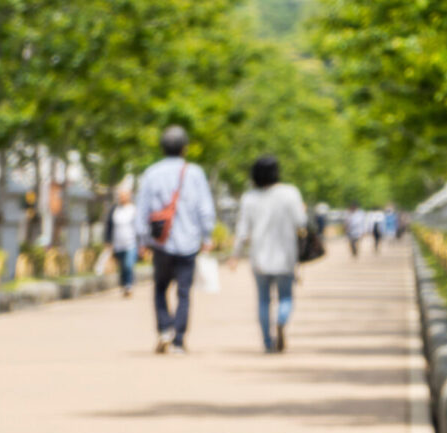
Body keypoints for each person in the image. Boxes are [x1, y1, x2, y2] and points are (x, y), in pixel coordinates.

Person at [135, 126, 216, 355]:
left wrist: (142, 239)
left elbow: (142, 209)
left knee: (160, 288)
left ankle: (164, 328)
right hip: (188, 242)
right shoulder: (195, 173)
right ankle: (179, 340)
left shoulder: (151, 173)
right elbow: (205, 208)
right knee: (183, 291)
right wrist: (207, 235)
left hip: (161, 242)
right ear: (185, 149)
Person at [229, 155, 308, 353]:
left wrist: (235, 255)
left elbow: (242, 230)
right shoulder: (290, 193)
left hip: (260, 259)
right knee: (286, 297)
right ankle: (281, 321)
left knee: (263, 300)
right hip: (286, 257)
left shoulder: (249, 198)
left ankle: (267, 341)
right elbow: (302, 222)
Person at [106, 188, 140, 299]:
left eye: (124, 195)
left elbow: (139, 228)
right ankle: (124, 284)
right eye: (120, 196)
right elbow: (109, 226)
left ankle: (129, 285)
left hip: (131, 243)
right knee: (122, 267)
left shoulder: (133, 210)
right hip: (118, 244)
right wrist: (108, 241)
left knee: (128, 264)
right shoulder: (115, 210)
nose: (122, 198)